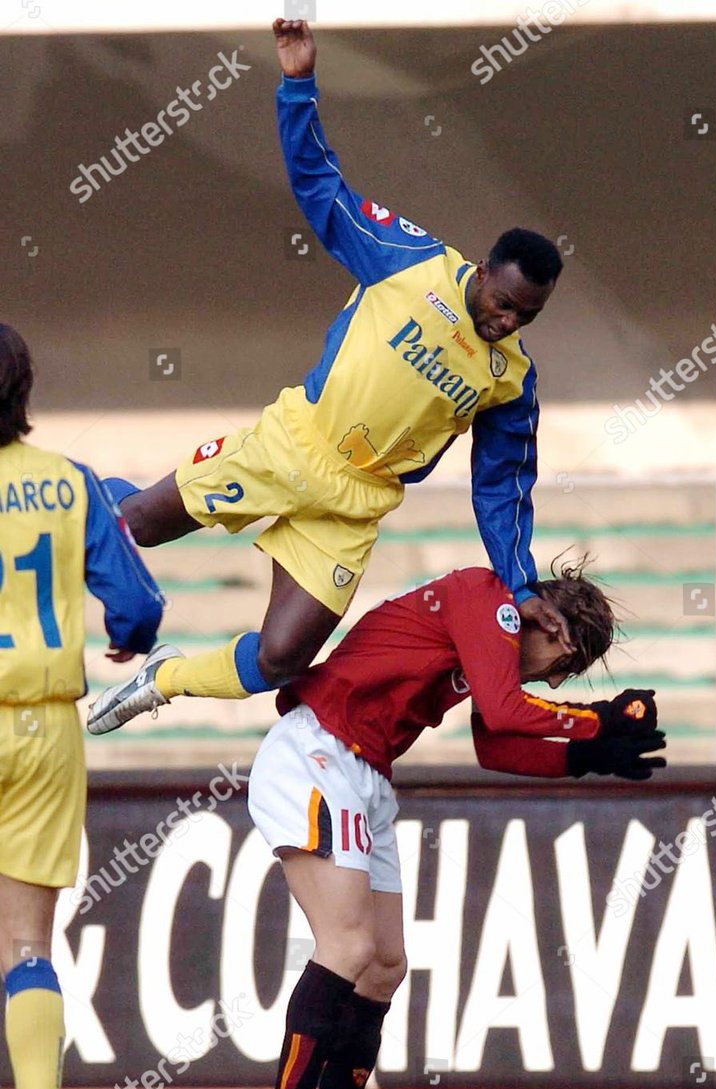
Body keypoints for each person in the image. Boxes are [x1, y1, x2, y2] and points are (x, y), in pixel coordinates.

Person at [87, 15, 571, 737]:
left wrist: (519, 580)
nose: (506, 323)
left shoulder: (511, 380)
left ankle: (166, 679)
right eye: (504, 305)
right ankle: (71, 495)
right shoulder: (411, 262)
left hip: (354, 504)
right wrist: (297, 83)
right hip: (291, 447)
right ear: (482, 273)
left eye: (524, 317)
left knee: (283, 657)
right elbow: (320, 186)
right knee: (135, 530)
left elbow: (500, 486)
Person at [242, 561, 666, 1089]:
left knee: (385, 966)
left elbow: (495, 742)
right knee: (349, 947)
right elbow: (506, 708)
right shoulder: (486, 597)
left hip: (364, 772)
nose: (556, 678)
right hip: (319, 751)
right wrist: (598, 720)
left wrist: (586, 757)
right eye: (565, 663)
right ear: (550, 622)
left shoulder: (488, 635)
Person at [0, 325, 164, 1089]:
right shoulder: (66, 482)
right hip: (40, 727)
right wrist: (122, 640)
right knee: (25, 945)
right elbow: (137, 605)